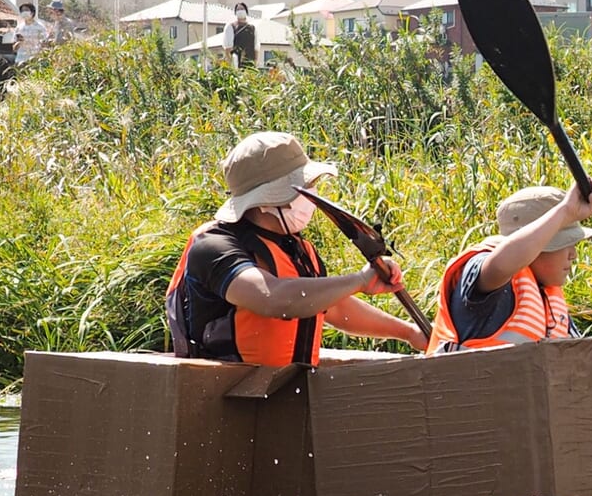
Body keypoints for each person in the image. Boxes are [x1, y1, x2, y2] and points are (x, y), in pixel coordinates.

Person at [165, 131, 427, 366]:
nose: (311, 194)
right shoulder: (214, 247)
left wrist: (408, 332)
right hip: (225, 397)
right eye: (305, 187)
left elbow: (333, 307)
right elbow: (274, 298)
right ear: (268, 198)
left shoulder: (297, 247)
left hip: (282, 392)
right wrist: (359, 280)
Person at [426, 183, 592, 355]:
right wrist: (564, 212)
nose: (573, 255)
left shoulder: (549, 299)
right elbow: (501, 266)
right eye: (566, 244)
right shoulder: (489, 267)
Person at [222, 3, 260, 68]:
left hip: (250, 62)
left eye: (242, 9)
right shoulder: (231, 27)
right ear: (235, 12)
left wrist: (256, 61)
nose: (240, 11)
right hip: (236, 61)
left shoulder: (253, 28)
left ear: (246, 11)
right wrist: (231, 63)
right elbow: (227, 48)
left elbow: (256, 47)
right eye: (238, 9)